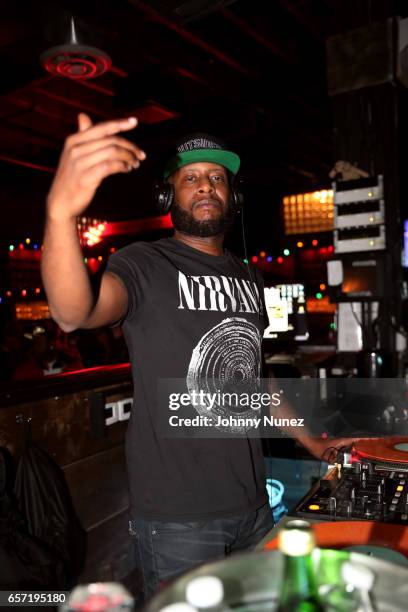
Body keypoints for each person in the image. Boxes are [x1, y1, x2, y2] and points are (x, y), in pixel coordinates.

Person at [41, 114, 354, 600]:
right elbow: (74, 311)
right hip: (177, 521)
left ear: (233, 197)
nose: (205, 186)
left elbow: (259, 381)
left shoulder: (249, 278)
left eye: (217, 178)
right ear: (169, 197)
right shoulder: (143, 263)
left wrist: (314, 444)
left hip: (252, 506)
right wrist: (60, 215)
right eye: (191, 177)